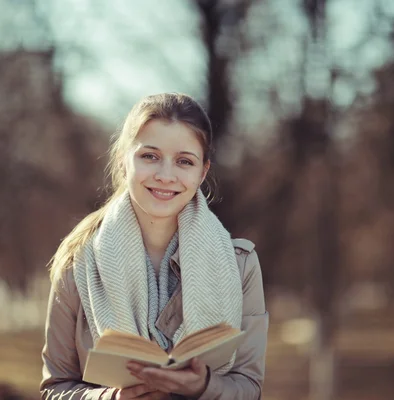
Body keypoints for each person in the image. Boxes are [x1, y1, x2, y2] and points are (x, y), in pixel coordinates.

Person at [40, 93, 268, 400]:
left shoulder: (240, 264)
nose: (165, 176)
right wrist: (111, 399)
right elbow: (55, 389)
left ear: (202, 172)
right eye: (150, 156)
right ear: (124, 160)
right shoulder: (78, 262)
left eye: (184, 161)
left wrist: (203, 387)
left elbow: (250, 388)